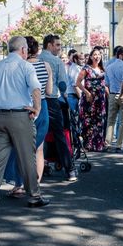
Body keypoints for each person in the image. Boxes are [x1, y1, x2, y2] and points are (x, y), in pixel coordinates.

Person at [0, 35, 49, 214]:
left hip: (0, 117)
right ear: (23, 50)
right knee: (27, 159)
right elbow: (36, 89)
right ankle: (34, 196)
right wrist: (37, 109)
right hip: (20, 117)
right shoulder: (26, 66)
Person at [3, 36, 52, 194]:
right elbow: (49, 92)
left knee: (20, 148)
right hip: (42, 107)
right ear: (36, 49)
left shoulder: (20, 67)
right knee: (38, 149)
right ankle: (35, 184)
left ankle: (19, 185)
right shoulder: (46, 65)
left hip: (25, 108)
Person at [39, 34, 77, 181]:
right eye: (58, 45)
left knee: (38, 135)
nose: (60, 48)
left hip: (34, 101)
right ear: (49, 45)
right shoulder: (56, 62)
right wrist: (66, 98)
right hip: (52, 100)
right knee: (59, 134)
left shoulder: (33, 60)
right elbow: (62, 84)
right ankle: (69, 169)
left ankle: (38, 167)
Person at [76, 48, 108, 151]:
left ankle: (98, 145)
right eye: (94, 54)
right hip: (89, 99)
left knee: (100, 121)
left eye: (98, 54)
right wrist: (87, 92)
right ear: (90, 57)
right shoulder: (86, 68)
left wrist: (108, 94)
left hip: (101, 99)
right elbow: (78, 83)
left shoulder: (102, 69)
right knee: (88, 121)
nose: (97, 56)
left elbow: (104, 84)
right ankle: (88, 145)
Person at [105, 47, 123, 152]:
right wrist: (121, 94)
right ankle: (119, 145)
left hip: (112, 94)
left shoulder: (109, 67)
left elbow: (106, 83)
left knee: (111, 120)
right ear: (120, 55)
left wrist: (110, 94)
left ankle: (107, 144)